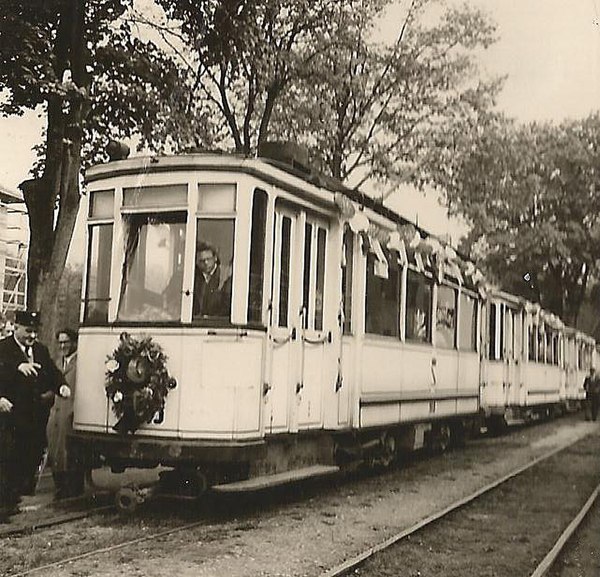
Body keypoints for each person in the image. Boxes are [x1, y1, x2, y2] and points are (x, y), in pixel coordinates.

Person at [0, 311, 61, 521]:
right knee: (7, 458)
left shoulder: (40, 350)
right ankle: (4, 505)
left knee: (27, 458)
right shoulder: (3, 348)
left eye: (35, 332)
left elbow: (53, 372)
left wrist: (61, 386)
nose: (32, 336)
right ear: (16, 328)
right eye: (28, 331)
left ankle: (13, 498)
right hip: (8, 416)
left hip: (32, 419)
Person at [46, 328, 85, 499]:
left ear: (74, 343)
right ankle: (60, 486)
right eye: (60, 342)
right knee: (55, 449)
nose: (63, 346)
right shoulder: (56, 362)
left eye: (66, 342)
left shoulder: (81, 363)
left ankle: (72, 487)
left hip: (71, 411)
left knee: (69, 451)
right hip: (55, 412)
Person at [193, 242, 227, 317]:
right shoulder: (192, 277)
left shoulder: (225, 276)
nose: (206, 263)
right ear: (196, 262)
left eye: (208, 259)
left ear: (215, 258)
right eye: (201, 261)